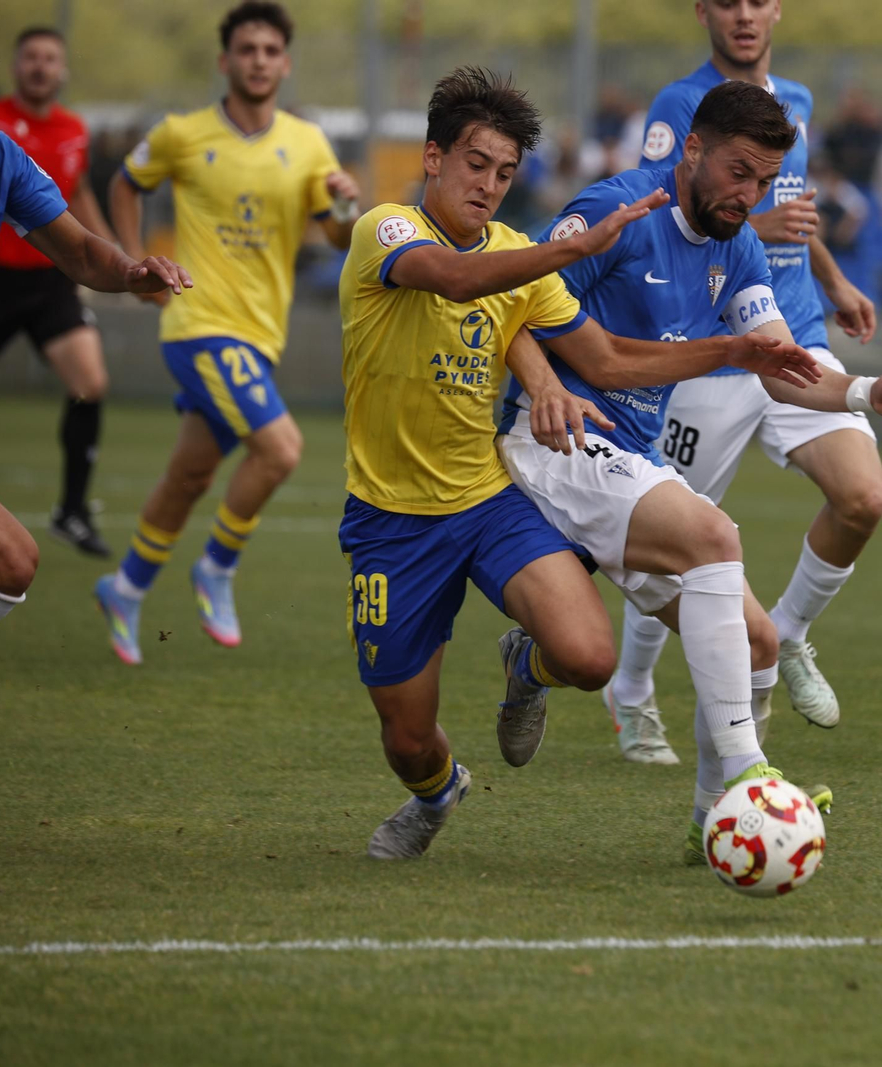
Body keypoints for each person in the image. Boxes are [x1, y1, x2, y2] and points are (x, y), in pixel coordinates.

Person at [338, 67, 819, 859]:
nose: (489, 185)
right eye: (474, 164)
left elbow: (603, 357)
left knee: (589, 657)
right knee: (408, 734)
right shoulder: (387, 230)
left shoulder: (519, 252)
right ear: (431, 158)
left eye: (504, 172)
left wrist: (730, 350)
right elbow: (458, 280)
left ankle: (533, 666)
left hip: (487, 499)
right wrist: (576, 254)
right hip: (390, 519)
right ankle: (437, 790)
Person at [498, 80, 882, 862]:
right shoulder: (621, 209)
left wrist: (869, 391)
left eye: (766, 182)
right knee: (713, 534)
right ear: (692, 149)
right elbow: (510, 300)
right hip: (555, 439)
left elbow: (777, 361)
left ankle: (712, 820)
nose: (750, 196)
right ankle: (751, 776)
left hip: (633, 449)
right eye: (739, 172)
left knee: (758, 642)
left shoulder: (735, 246)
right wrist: (542, 386)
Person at [609, 0, 882, 764]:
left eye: (756, 1)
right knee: (677, 541)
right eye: (726, 1)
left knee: (863, 496)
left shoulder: (794, 101)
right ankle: (631, 692)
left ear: (779, 10)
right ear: (702, 10)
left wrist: (831, 278)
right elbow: (656, 206)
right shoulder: (680, 104)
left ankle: (788, 634)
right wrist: (750, 228)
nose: (743, 15)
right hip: (716, 344)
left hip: (791, 332)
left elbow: (793, 212)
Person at [93, 2, 362, 665]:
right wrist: (135, 267)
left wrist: (349, 205)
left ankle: (124, 586)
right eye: (247, 49)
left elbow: (336, 235)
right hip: (198, 323)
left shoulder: (308, 145)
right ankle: (216, 566)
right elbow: (125, 185)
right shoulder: (183, 133)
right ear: (225, 61)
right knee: (280, 449)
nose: (259, 60)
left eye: (271, 50)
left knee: (190, 473)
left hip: (258, 336)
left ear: (285, 63)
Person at [0, 0, 189, 702]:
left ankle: (74, 503)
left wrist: (130, 271)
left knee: (8, 561)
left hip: (31, 301)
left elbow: (78, 247)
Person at [0, 26, 115, 555]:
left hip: (50, 281)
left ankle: (71, 510)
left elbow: (77, 195)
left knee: (90, 381)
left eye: (51, 59)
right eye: (32, 59)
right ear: (17, 68)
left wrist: (120, 262)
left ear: (62, 70)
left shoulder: (74, 129)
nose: (41, 67)